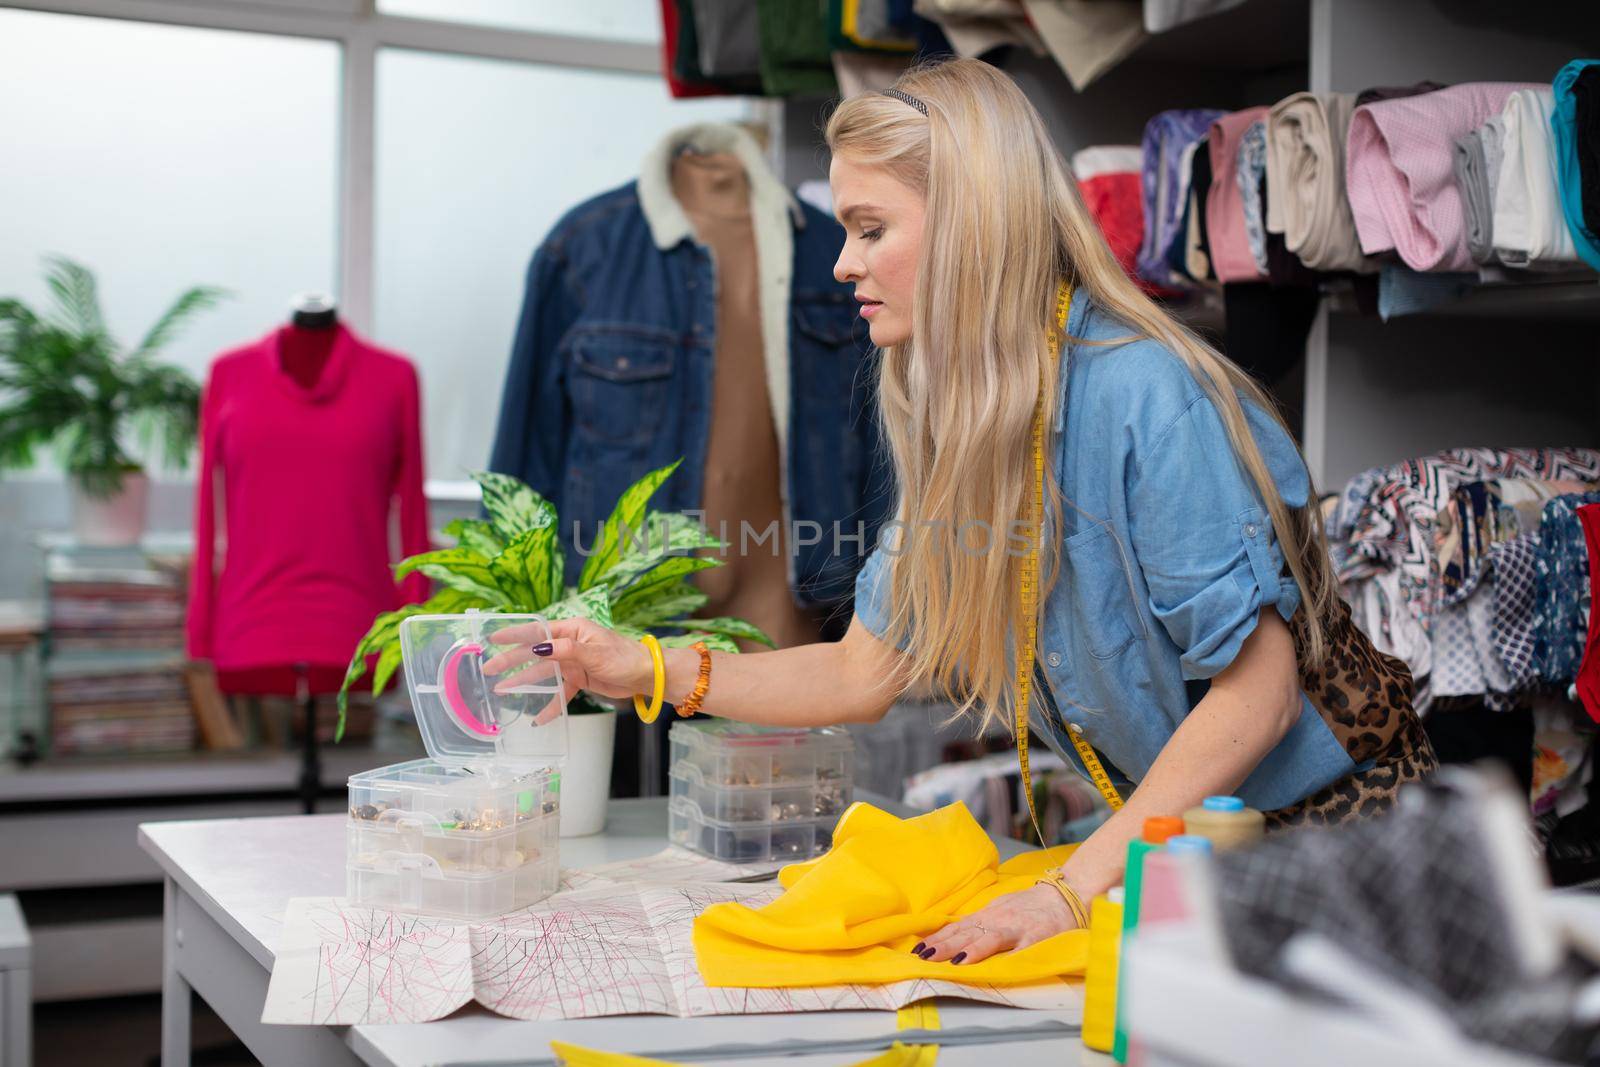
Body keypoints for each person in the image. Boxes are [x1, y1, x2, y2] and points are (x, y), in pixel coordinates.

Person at [484, 58, 1436, 966]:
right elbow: (861, 672)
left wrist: (1067, 891)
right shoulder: (964, 428)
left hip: (1349, 856)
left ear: (975, 225)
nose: (843, 264)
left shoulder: (1146, 395)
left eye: (870, 228)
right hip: (1200, 857)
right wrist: (632, 664)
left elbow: (1259, 694)